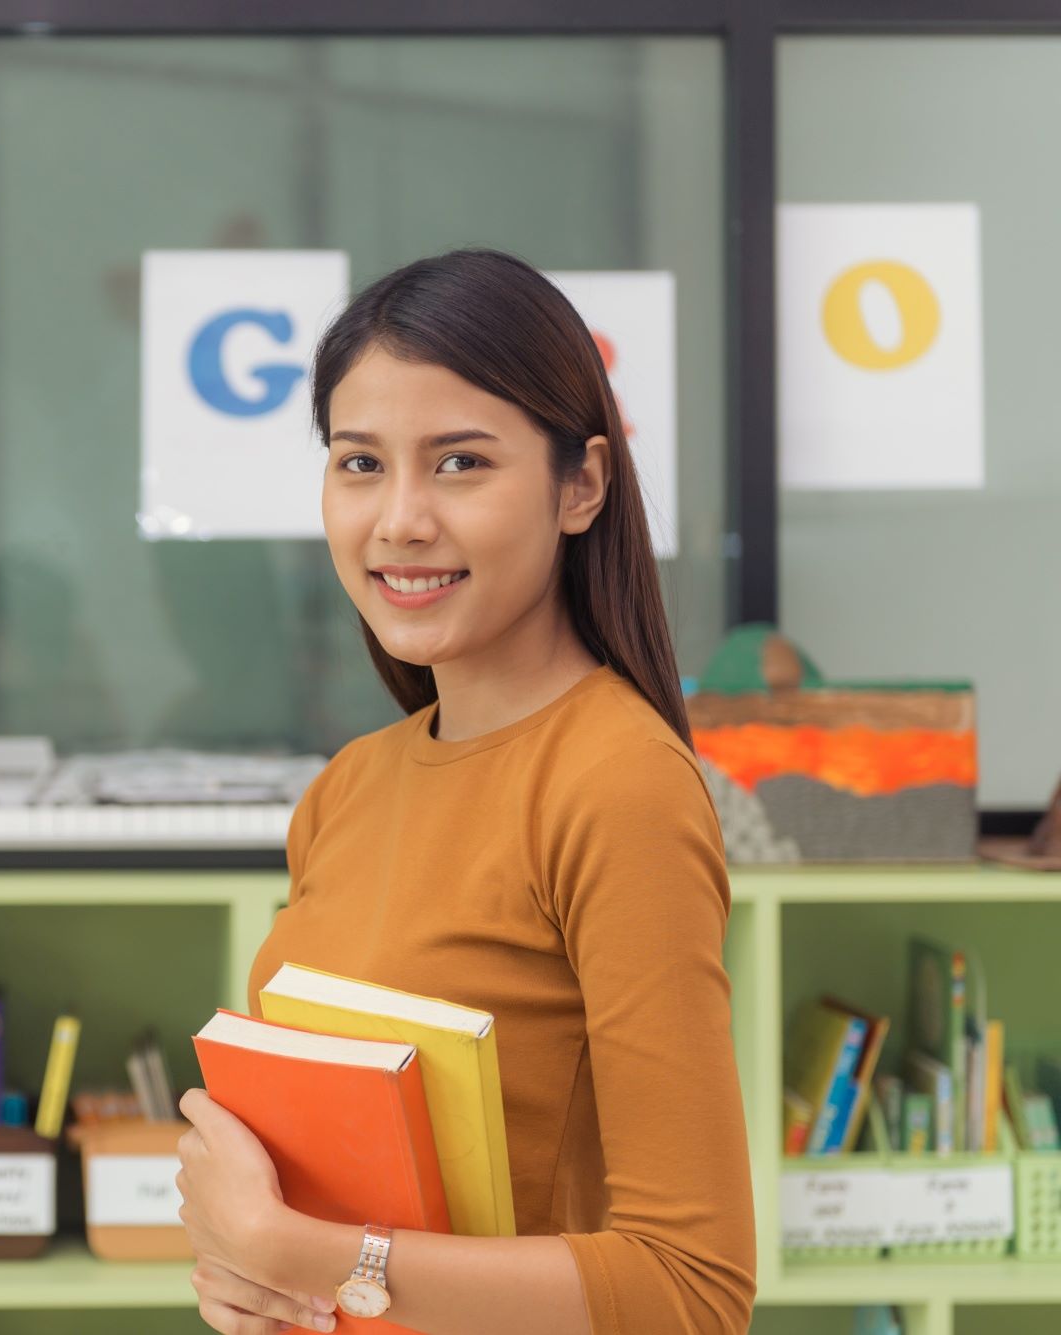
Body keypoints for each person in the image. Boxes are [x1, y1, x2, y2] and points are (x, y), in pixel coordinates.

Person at [174, 249, 755, 1335]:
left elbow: (691, 1290)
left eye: (458, 464)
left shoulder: (616, 786)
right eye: (358, 463)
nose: (397, 519)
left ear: (580, 483)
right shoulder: (346, 788)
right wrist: (254, 1286)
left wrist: (291, 1252)